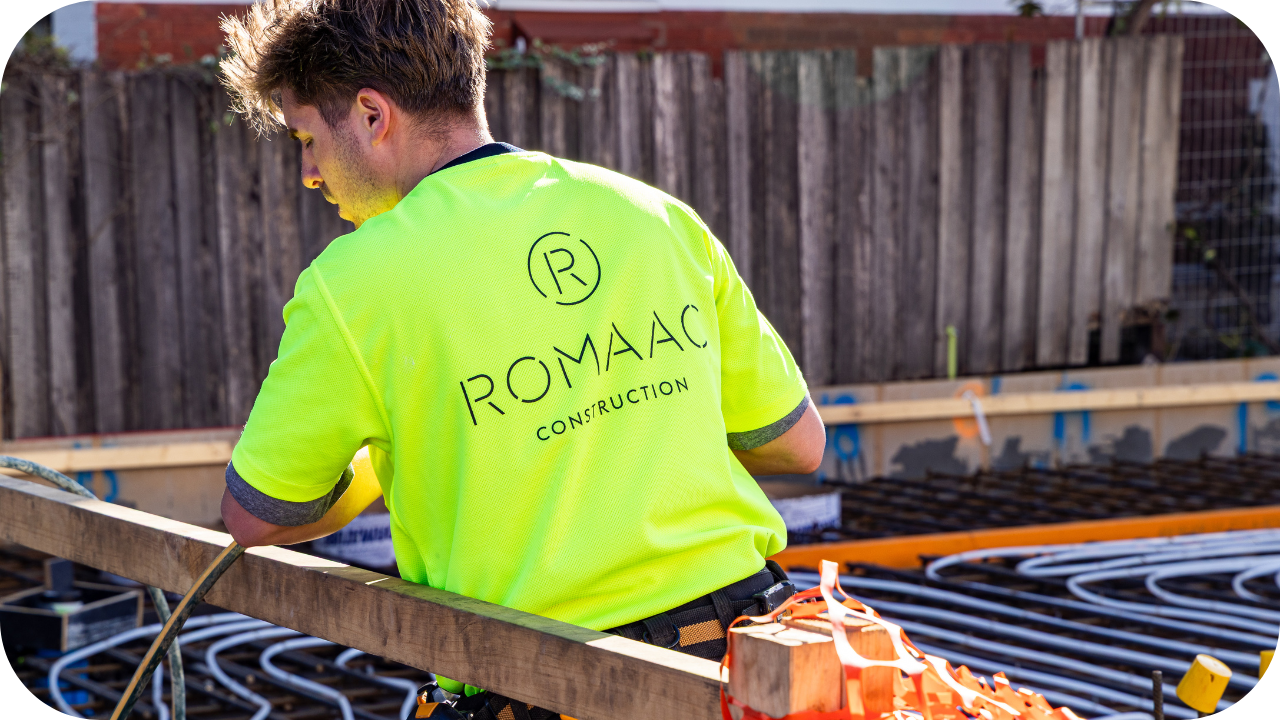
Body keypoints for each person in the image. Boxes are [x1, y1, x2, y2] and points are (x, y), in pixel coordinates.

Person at [217, 1, 826, 717]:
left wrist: (405, 457)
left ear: (373, 115)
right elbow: (797, 443)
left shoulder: (351, 285)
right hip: (746, 664)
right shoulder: (652, 216)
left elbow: (255, 516)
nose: (308, 172)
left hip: (543, 685)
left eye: (308, 138)